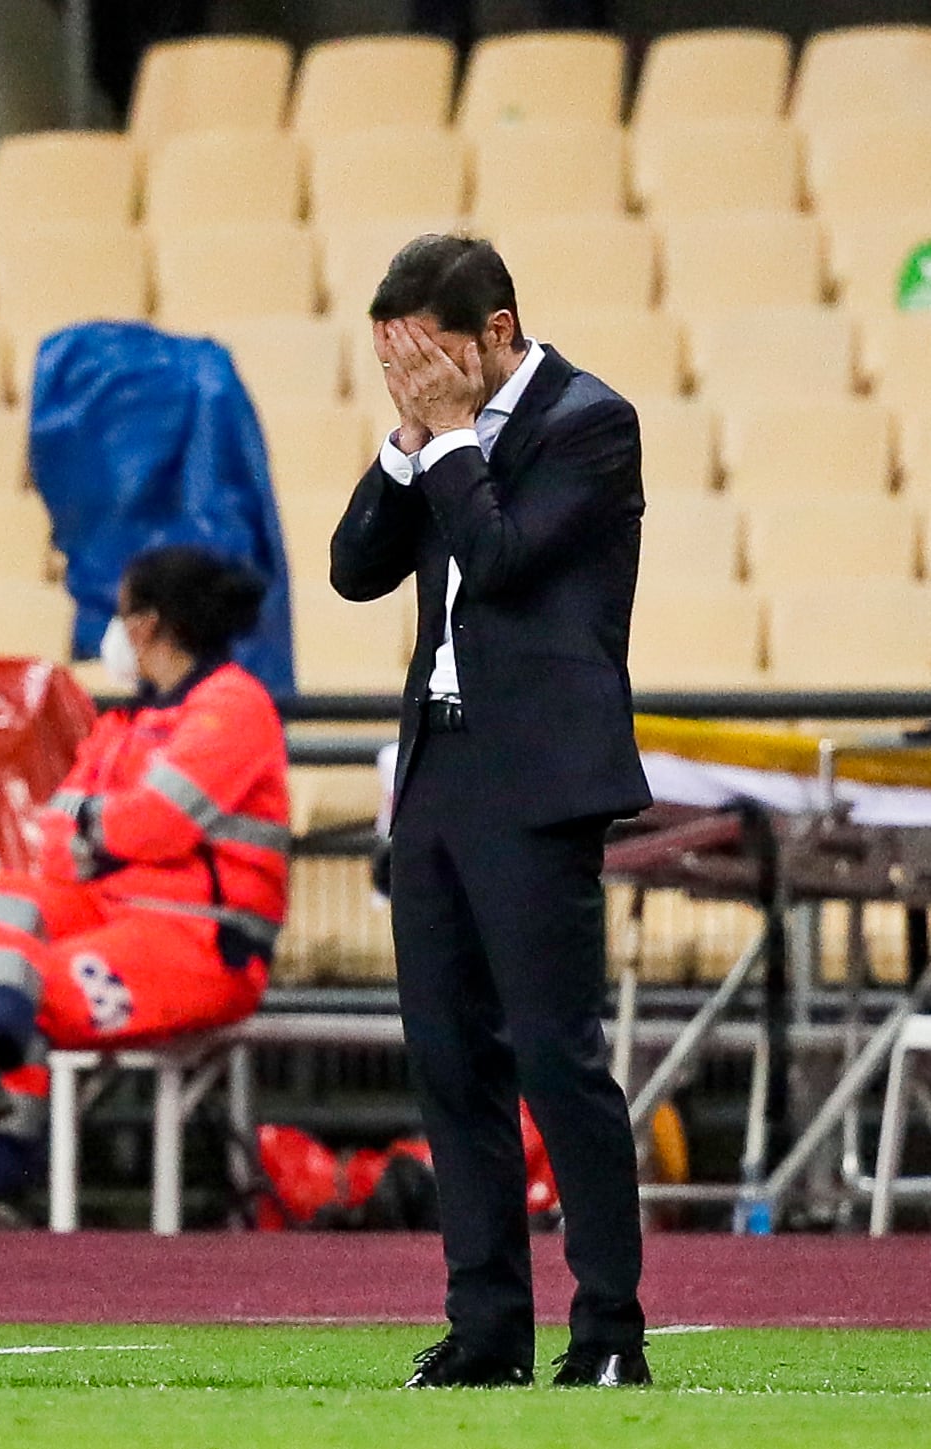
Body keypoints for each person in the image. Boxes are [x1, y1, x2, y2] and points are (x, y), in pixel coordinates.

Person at [329, 235, 652, 1390]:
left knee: (556, 1061)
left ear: (496, 334)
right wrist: (407, 442)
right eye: (393, 367)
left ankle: (607, 1331)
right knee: (450, 1061)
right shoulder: (435, 440)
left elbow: (504, 561)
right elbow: (354, 570)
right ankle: (484, 1332)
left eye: (424, 363)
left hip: (536, 779)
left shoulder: (586, 422)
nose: (408, 383)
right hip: (438, 773)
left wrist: (452, 440)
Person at [0, 546, 288, 1223]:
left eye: (118, 615)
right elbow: (54, 840)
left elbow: (158, 822)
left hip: (204, 941)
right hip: (111, 916)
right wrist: (104, 831)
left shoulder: (235, 707)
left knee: (29, 988)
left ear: (145, 625)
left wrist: (95, 827)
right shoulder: (124, 724)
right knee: (1, 900)